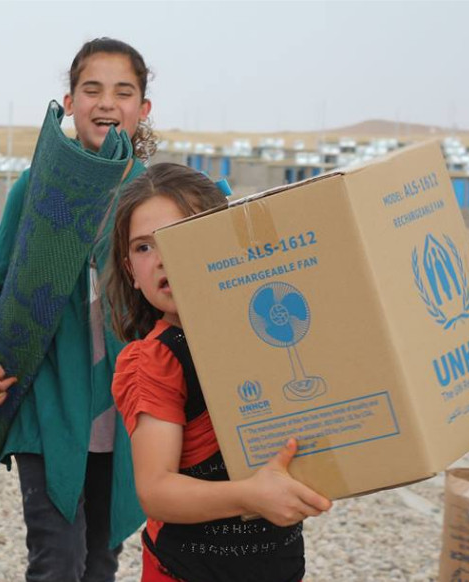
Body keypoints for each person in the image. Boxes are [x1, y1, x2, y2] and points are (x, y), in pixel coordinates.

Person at [0, 38, 155, 582]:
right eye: (90, 89)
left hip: (126, 407)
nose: (106, 102)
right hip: (48, 401)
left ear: (143, 109)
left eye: (123, 92)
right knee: (56, 561)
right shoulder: (34, 186)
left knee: (101, 562)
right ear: (68, 102)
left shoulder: (153, 194)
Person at [107, 163, 333, 582]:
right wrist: (252, 496)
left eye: (180, 236)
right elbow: (156, 490)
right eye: (143, 247)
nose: (162, 259)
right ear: (130, 273)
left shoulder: (269, 332)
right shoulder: (153, 360)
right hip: (185, 572)